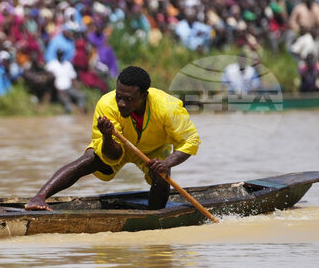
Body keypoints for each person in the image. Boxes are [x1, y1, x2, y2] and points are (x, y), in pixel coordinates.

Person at [25, 66, 200, 211]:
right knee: (89, 158)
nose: (121, 103)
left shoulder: (168, 107)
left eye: (129, 99)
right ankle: (39, 197)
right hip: (118, 147)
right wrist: (107, 136)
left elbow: (190, 140)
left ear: (144, 96)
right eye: (119, 97)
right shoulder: (106, 104)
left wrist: (167, 163)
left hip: (154, 150)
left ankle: (155, 216)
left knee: (161, 174)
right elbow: (113, 155)